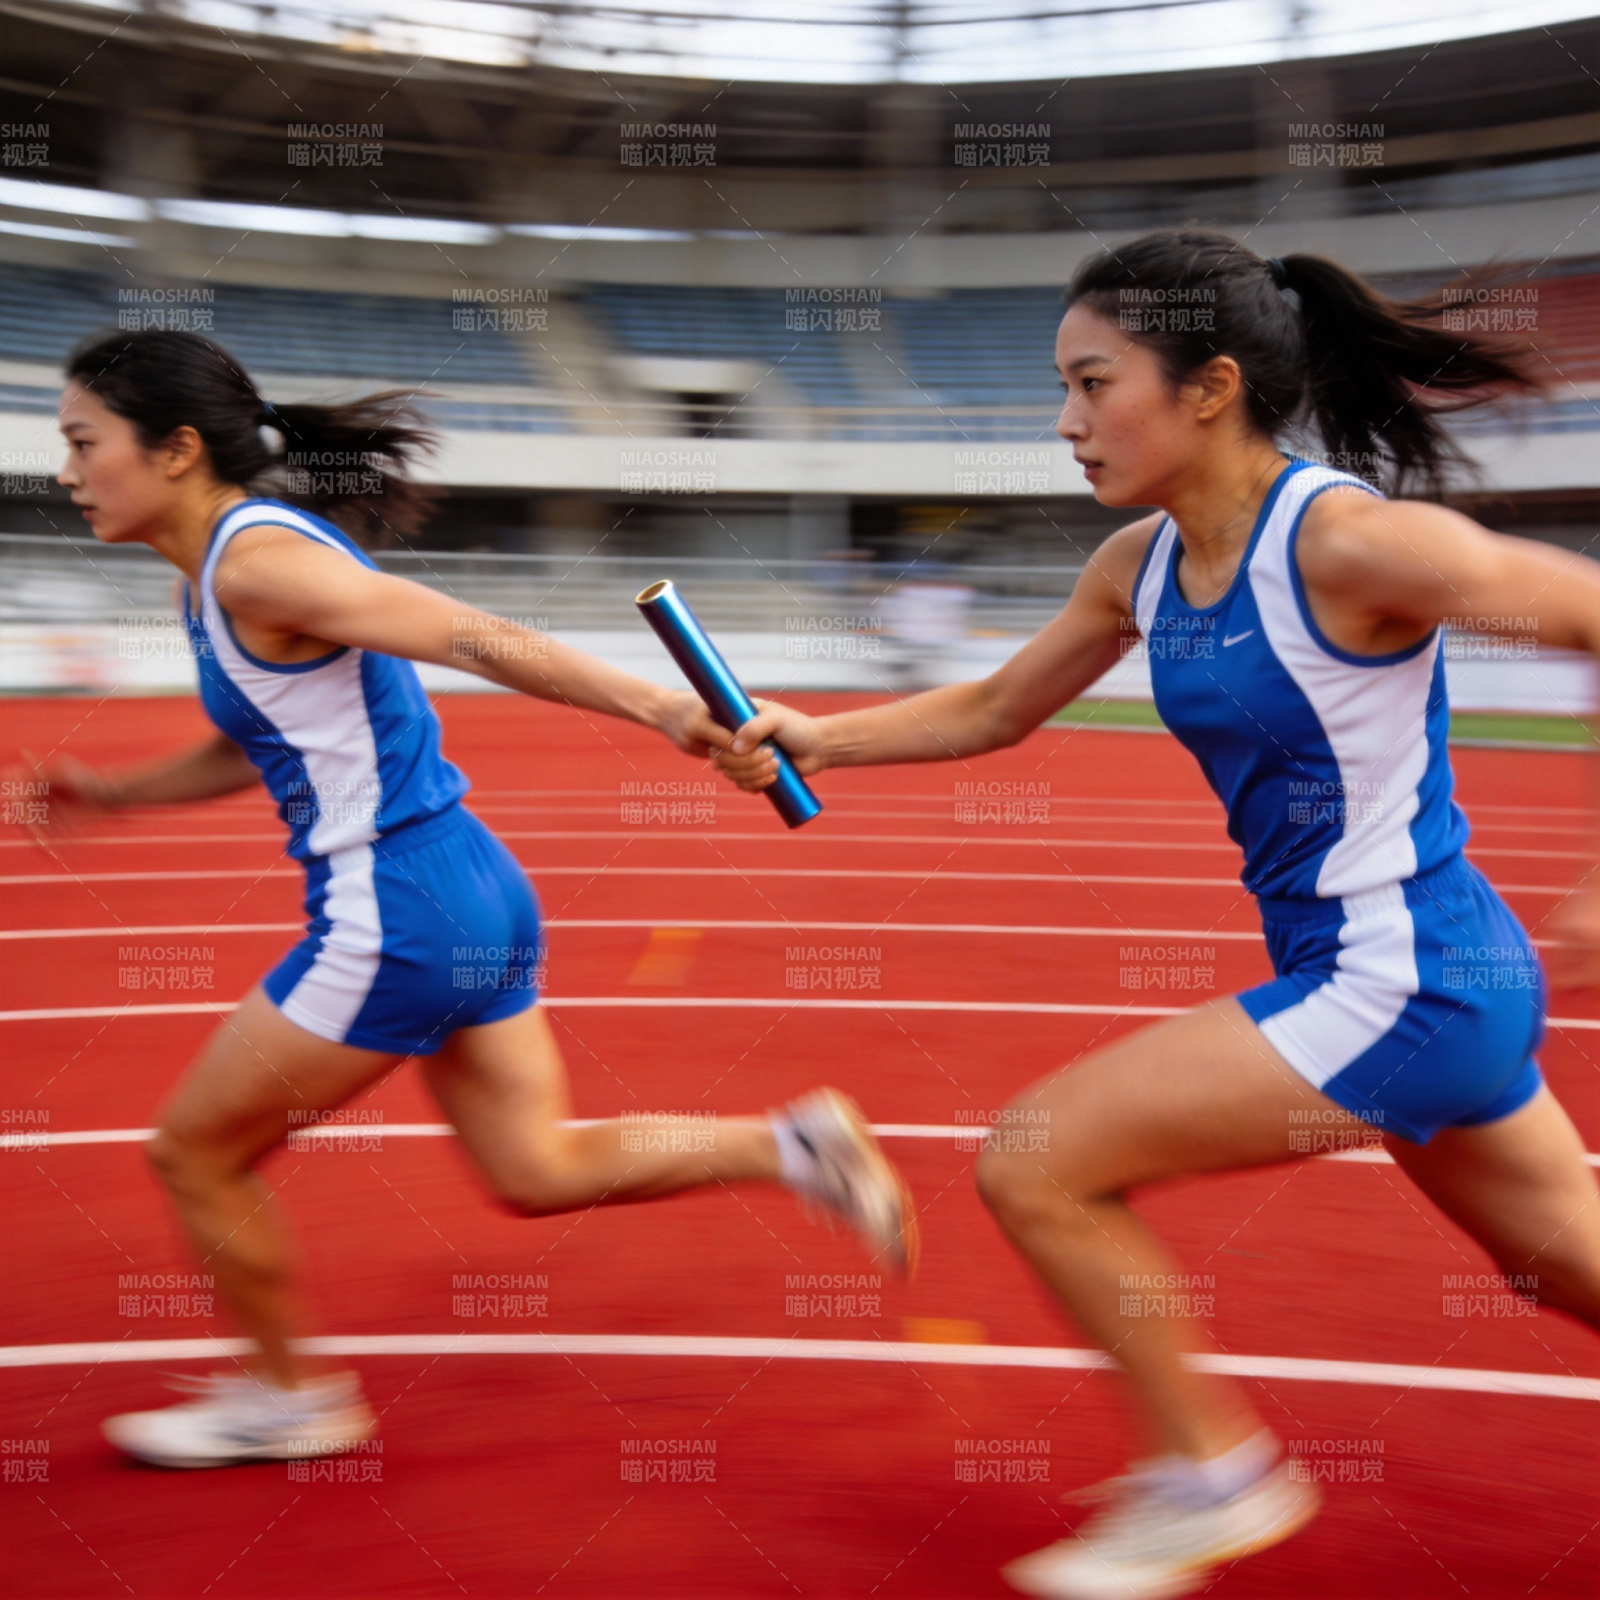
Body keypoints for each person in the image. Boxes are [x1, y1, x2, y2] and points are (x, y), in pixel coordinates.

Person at [712, 229, 1600, 1600]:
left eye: (1091, 382)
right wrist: (818, 739)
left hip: (1403, 980)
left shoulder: (1354, 543)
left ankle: (1210, 1473)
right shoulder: (1141, 561)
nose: (1066, 423)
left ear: (1209, 387)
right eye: (1061, 389)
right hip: (1416, 976)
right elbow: (996, 708)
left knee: (1037, 1161)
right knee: (1565, 1275)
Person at [29, 328, 915, 1470]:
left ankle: (288, 1395)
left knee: (193, 1155)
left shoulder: (254, 564)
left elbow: (468, 632)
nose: (65, 470)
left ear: (179, 449)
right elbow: (264, 737)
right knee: (532, 1169)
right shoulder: (213, 575)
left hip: (393, 908)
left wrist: (656, 707)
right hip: (467, 885)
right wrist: (116, 792)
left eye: (82, 442)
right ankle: (792, 1147)